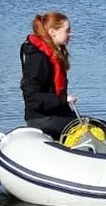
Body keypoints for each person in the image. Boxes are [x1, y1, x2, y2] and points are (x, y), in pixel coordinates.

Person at [20, 11, 77, 139]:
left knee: (98, 126)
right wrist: (63, 99)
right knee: (86, 129)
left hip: (55, 114)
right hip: (41, 119)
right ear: (52, 32)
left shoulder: (53, 55)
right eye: (67, 31)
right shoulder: (38, 59)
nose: (71, 34)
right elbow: (32, 98)